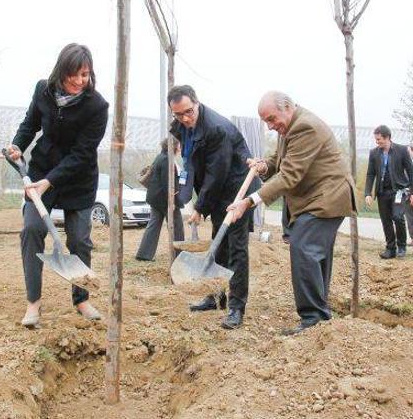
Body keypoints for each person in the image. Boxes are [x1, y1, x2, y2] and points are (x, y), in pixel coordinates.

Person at [227, 92, 357, 335]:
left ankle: (313, 319)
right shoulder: (290, 126)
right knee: (315, 253)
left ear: (287, 107)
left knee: (303, 247)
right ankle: (319, 318)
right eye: (265, 121)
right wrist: (265, 165)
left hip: (327, 197)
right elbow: (281, 159)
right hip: (318, 198)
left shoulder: (305, 127)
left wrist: (250, 201)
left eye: (272, 119)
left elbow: (289, 175)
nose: (270, 125)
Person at [5, 44, 109, 328]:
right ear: (60, 72)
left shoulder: (97, 106)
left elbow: (82, 153)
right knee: (32, 230)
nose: (78, 81)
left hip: (78, 179)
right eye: (72, 75)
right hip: (41, 171)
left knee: (79, 241)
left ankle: (81, 299)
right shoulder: (43, 90)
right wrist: (17, 146)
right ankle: (33, 303)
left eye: (84, 75)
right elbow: (30, 125)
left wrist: (50, 182)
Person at [168, 84, 260, 330]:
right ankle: (216, 296)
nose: (185, 118)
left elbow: (216, 173)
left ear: (197, 103)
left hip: (237, 188)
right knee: (218, 245)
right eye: (178, 114)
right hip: (217, 189)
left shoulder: (216, 128)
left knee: (236, 249)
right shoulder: (181, 126)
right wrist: (193, 197)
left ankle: (236, 307)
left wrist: (200, 206)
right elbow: (194, 163)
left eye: (189, 111)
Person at [364, 125, 413, 259]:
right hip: (382, 192)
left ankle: (402, 247)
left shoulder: (401, 150)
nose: (377, 142)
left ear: (387, 137)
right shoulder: (374, 153)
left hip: (398, 191)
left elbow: (411, 172)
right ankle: (390, 248)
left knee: (398, 217)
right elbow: (370, 174)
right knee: (386, 220)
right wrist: (368, 193)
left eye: (379, 139)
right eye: (376, 140)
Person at [135, 139, 185, 261]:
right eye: (179, 145)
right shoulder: (167, 160)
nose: (180, 147)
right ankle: (179, 255)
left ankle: (144, 254)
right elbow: (167, 183)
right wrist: (172, 202)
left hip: (156, 198)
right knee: (177, 226)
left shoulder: (161, 157)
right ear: (174, 146)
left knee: (153, 225)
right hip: (164, 199)